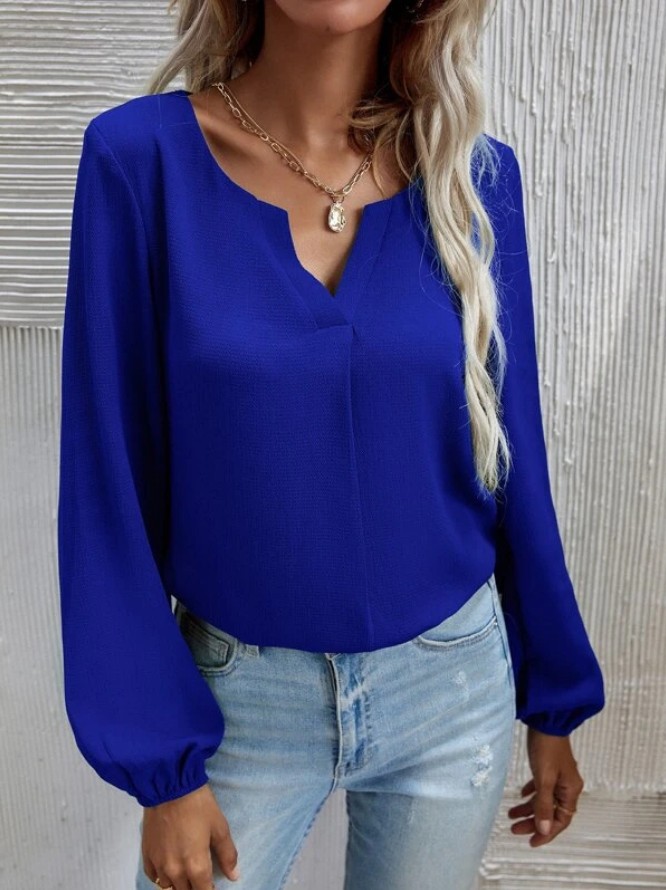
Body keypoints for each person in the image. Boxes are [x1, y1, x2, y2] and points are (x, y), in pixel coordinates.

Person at [56, 1, 606, 888]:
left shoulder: (471, 175)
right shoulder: (139, 160)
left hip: (452, 687)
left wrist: (554, 696)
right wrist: (162, 764)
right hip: (238, 703)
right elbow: (105, 484)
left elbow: (512, 453)